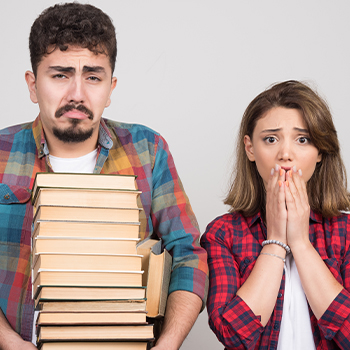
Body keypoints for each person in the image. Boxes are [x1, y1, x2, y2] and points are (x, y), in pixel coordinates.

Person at [0, 3, 208, 349]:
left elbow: (189, 253)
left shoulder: (148, 149)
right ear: (33, 84)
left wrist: (168, 343)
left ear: (110, 88)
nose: (77, 94)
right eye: (60, 75)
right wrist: (7, 342)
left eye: (93, 77)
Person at [200, 80, 350, 349]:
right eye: (271, 139)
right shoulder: (223, 233)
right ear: (250, 149)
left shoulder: (346, 231)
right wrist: (277, 240)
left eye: (302, 140)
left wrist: (301, 244)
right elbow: (233, 334)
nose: (285, 154)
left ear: (319, 152)